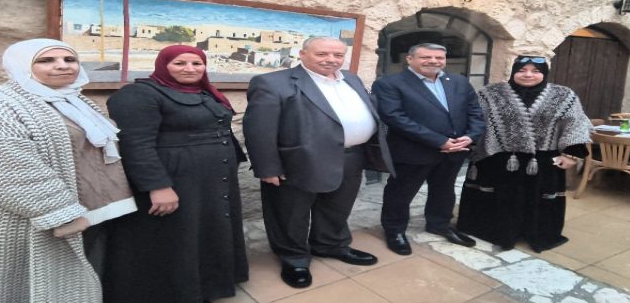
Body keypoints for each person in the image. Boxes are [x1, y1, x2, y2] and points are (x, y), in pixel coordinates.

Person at [0, 38, 136, 303]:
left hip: (91, 211)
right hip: (34, 219)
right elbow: (4, 167)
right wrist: (58, 211)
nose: (62, 66)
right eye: (46, 60)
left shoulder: (76, 102)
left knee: (78, 283)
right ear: (21, 66)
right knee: (28, 287)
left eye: (69, 60)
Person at [243, 36, 393, 289]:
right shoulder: (272, 82)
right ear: (302, 54)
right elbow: (258, 129)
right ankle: (294, 257)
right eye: (322, 54)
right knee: (291, 213)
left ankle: (330, 244)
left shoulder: (351, 78)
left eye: (337, 55)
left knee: (337, 207)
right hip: (298, 161)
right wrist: (267, 167)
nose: (331, 60)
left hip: (351, 157)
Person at [103, 45, 248, 303]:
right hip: (174, 179)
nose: (190, 69)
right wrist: (158, 186)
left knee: (205, 231)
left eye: (197, 63)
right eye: (180, 63)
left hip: (209, 180)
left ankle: (206, 286)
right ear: (163, 65)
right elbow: (136, 144)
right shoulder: (138, 95)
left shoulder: (205, 92)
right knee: (178, 237)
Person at [457, 55, 592, 253]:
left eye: (535, 71)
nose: (528, 75)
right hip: (498, 158)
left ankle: (535, 233)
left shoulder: (564, 95)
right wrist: (468, 142)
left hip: (541, 160)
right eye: (522, 70)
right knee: (500, 197)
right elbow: (475, 119)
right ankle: (497, 232)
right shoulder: (490, 93)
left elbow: (576, 123)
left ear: (544, 73)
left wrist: (571, 154)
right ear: (513, 72)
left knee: (537, 198)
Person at [372, 43, 485, 255]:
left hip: (455, 150)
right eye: (426, 57)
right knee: (400, 193)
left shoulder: (459, 81)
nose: (433, 61)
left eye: (439, 57)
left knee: (444, 190)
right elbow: (394, 117)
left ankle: (439, 224)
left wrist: (470, 136)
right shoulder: (389, 84)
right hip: (413, 151)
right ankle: (395, 230)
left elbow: (475, 112)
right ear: (410, 59)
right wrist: (439, 141)